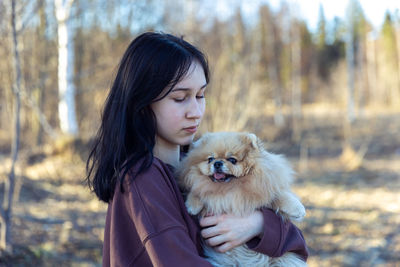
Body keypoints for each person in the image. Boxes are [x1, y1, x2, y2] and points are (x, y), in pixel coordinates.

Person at [86, 32, 308, 266]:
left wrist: (258, 223)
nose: (196, 111)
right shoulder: (142, 178)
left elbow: (298, 247)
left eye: (201, 95)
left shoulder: (195, 168)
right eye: (180, 98)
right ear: (142, 103)